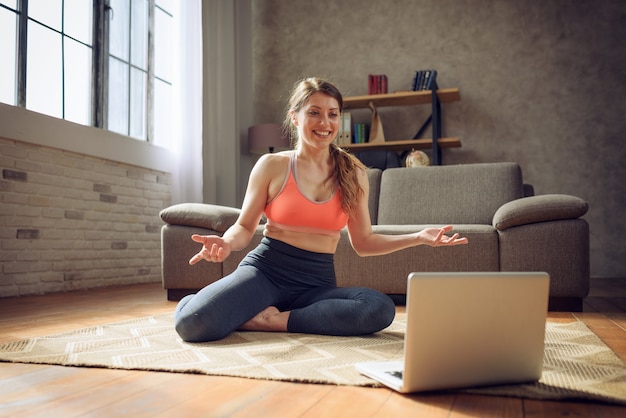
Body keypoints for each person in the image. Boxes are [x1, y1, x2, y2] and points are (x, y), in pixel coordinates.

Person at [174, 77, 468, 342]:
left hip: (316, 283)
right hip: (265, 272)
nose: (324, 122)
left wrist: (418, 237)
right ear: (295, 117)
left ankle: (272, 321)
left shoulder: (353, 172)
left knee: (378, 308)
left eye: (333, 114)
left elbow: (364, 243)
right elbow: (244, 227)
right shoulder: (272, 166)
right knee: (191, 323)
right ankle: (205, 301)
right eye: (314, 112)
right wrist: (226, 242)